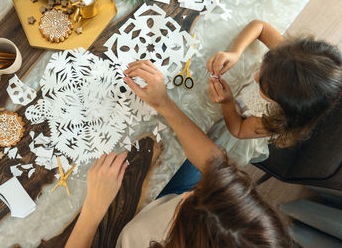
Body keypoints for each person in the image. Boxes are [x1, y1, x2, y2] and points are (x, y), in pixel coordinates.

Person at [65, 60, 292, 248]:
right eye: (196, 194)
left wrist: (93, 210)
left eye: (187, 204)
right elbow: (216, 166)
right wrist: (165, 104)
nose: (186, 195)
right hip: (155, 212)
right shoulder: (241, 227)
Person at [207, 20, 342, 162]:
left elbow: (239, 130)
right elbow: (260, 26)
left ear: (282, 104)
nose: (255, 77)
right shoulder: (288, 60)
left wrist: (227, 103)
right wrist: (235, 52)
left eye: (264, 87)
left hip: (234, 118)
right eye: (263, 69)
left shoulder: (277, 120)